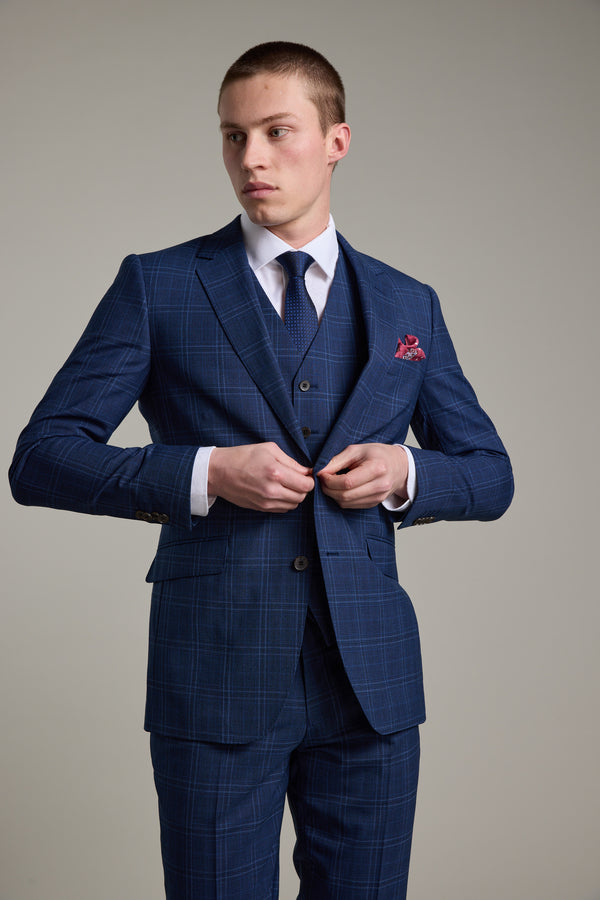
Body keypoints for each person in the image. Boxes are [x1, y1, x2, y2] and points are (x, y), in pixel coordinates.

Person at [9, 41, 513, 900]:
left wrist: (404, 473)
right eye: (233, 136)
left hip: (372, 689)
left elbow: (490, 474)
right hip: (215, 674)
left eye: (278, 132)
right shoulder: (157, 286)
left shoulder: (405, 303)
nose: (252, 159)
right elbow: (41, 459)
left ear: (336, 141)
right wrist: (205, 473)